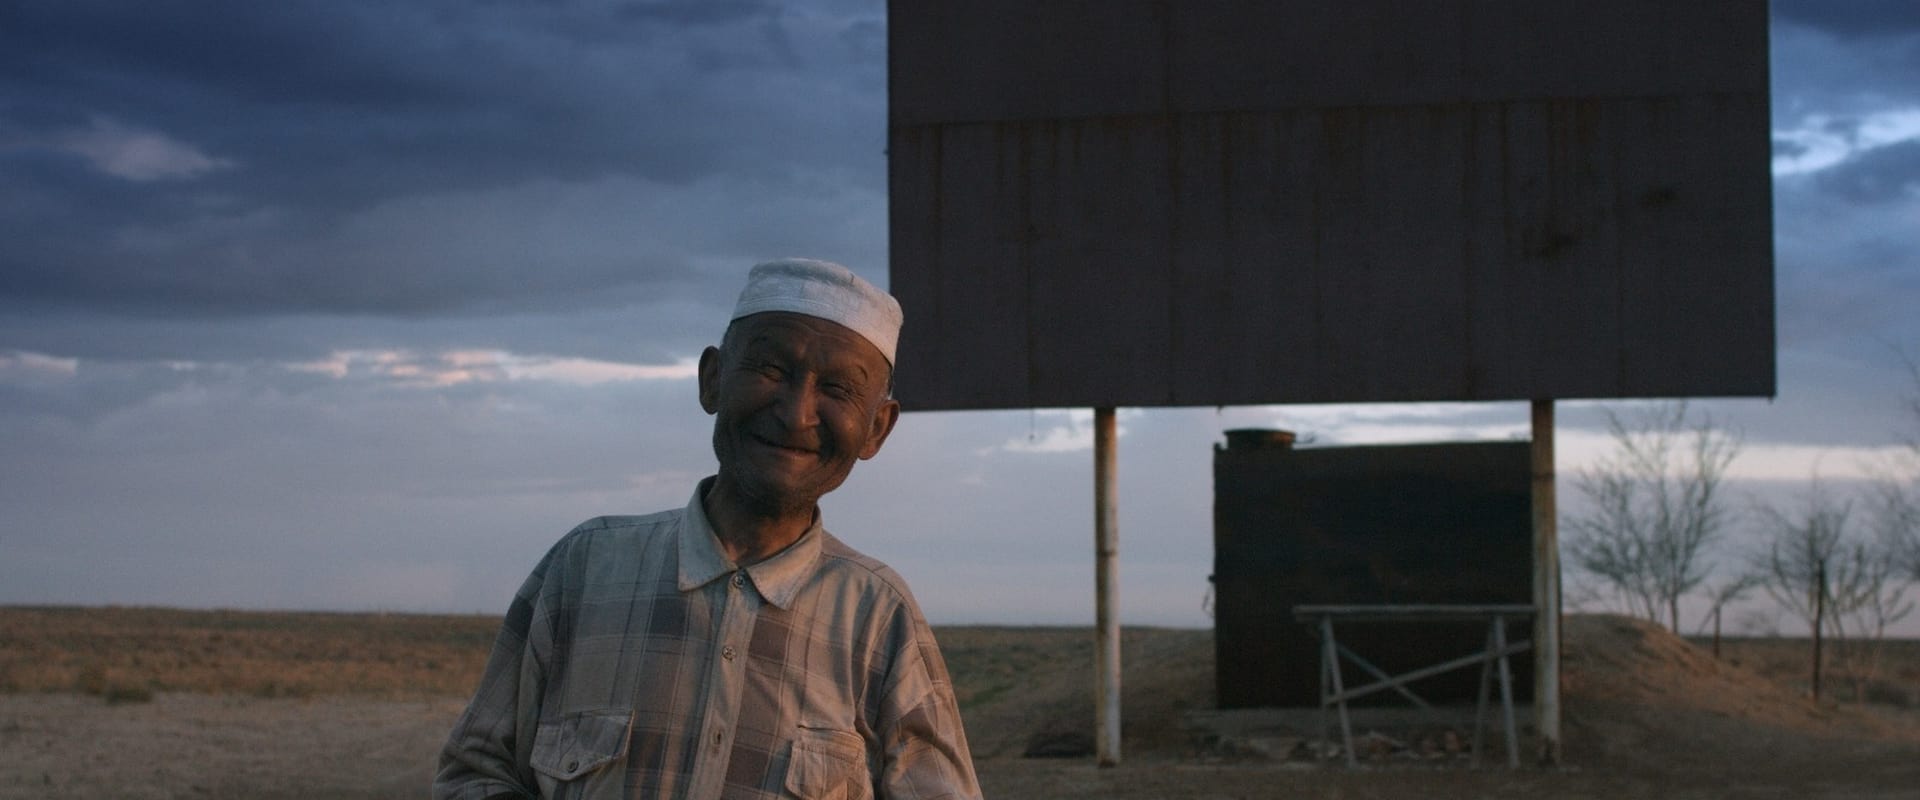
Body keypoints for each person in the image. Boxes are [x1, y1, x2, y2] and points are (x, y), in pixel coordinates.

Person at [434, 259, 981, 800]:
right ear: (712, 379)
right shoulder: (584, 570)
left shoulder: (879, 619)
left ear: (876, 430)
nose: (796, 414)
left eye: (838, 389)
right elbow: (475, 772)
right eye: (771, 370)